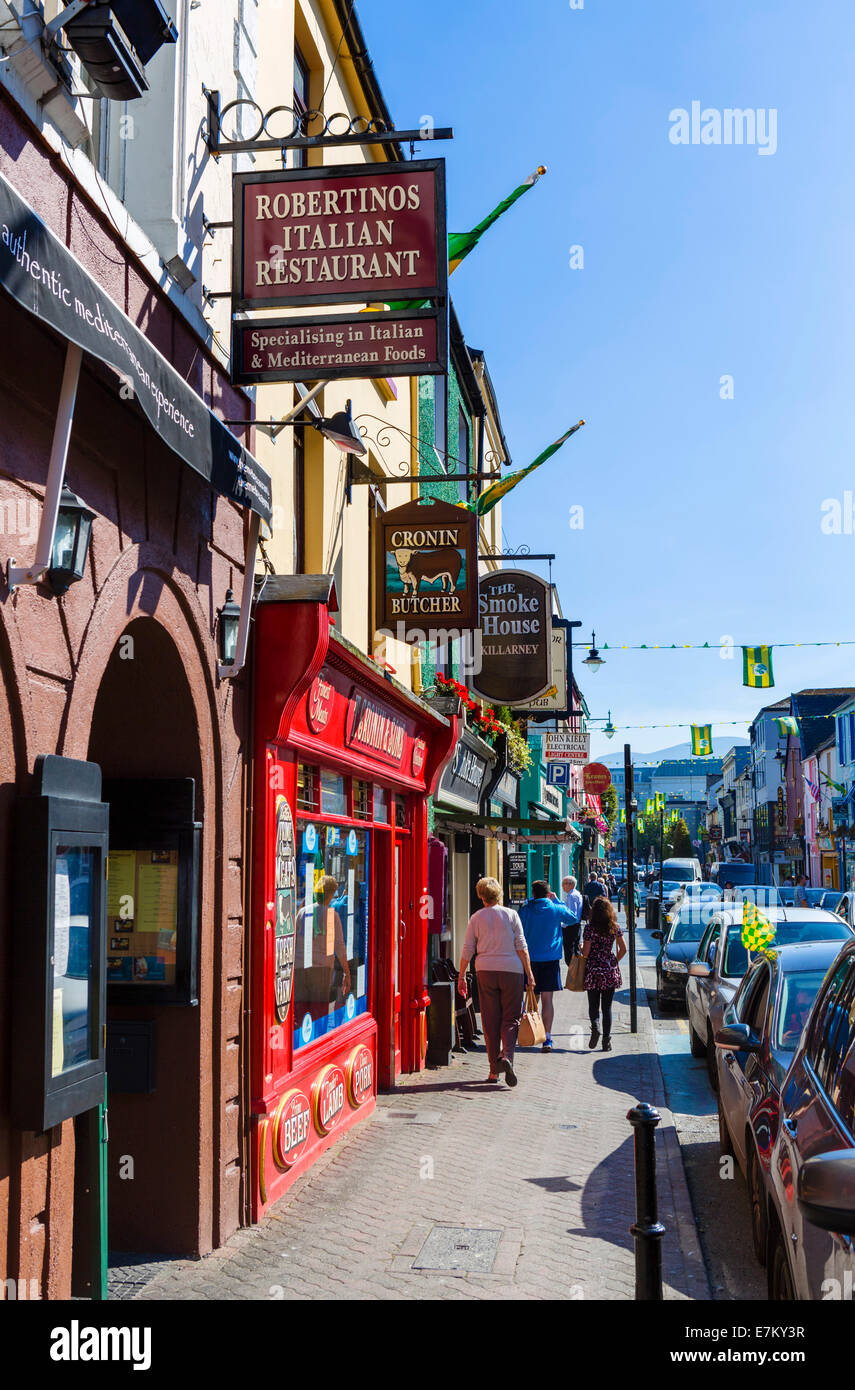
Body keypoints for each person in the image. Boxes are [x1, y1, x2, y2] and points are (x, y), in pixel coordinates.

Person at [459, 877, 535, 1086]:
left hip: (485, 970)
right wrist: (529, 973)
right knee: (511, 1019)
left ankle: (494, 1072)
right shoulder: (511, 915)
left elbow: (468, 949)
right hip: (512, 970)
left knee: (490, 1021)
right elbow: (521, 946)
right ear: (499, 894)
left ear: (481, 896)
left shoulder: (476, 918)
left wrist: (462, 975)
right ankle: (507, 1057)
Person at [519, 880, 575, 1052]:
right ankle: (547, 1037)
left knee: (530, 996)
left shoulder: (526, 910)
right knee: (547, 1000)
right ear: (548, 893)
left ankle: (529, 1032)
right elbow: (573, 918)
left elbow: (516, 927)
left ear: (534, 893)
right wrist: (557, 901)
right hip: (550, 960)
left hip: (530, 960)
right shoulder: (556, 909)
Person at [581, 896, 627, 1052]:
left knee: (593, 1005)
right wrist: (614, 961)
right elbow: (623, 949)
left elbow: (585, 953)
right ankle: (606, 1042)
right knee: (607, 1008)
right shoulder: (614, 927)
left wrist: (582, 947)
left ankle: (595, 1026)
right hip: (609, 971)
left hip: (593, 970)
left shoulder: (589, 928)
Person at [562, 875, 584, 959]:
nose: (562, 886)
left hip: (570, 927)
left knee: (570, 952)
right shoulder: (576, 893)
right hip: (575, 925)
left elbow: (572, 914)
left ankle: (574, 970)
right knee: (575, 949)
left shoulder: (571, 896)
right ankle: (576, 970)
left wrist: (564, 924)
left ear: (570, 884)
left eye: (564, 883)